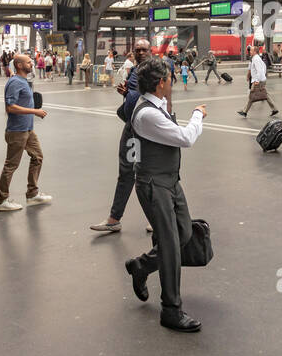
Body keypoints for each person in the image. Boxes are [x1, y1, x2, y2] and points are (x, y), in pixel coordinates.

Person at [122, 58, 208, 332]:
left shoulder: (156, 106)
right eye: (170, 78)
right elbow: (186, 138)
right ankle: (171, 310)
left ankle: (141, 266)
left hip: (169, 181)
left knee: (183, 234)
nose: (172, 81)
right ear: (161, 83)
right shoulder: (148, 113)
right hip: (155, 185)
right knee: (171, 245)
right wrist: (197, 114)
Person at [89, 39, 158, 234]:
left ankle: (157, 217)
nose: (141, 52)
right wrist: (126, 94)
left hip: (147, 130)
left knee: (148, 174)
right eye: (138, 50)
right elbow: (137, 95)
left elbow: (161, 96)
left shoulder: (154, 69)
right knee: (127, 172)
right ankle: (114, 218)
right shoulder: (136, 70)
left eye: (144, 49)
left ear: (150, 50)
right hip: (132, 131)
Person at [0, 54, 51, 212]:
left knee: (37, 157)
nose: (31, 63)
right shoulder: (14, 82)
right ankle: (2, 200)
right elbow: (10, 107)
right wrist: (35, 111)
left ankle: (32, 193)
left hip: (28, 129)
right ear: (19, 65)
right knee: (11, 165)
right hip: (17, 131)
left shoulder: (23, 81)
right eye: (28, 62)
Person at [237, 46, 280, 118]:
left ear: (254, 52)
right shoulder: (256, 58)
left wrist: (257, 80)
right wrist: (263, 76)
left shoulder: (256, 59)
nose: (249, 52)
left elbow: (259, 70)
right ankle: (275, 109)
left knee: (252, 95)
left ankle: (244, 111)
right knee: (265, 95)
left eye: (251, 51)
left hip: (258, 81)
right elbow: (264, 67)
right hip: (261, 79)